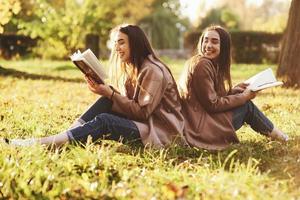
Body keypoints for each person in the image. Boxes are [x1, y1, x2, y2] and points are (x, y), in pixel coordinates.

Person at [6, 24, 185, 147]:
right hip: (144, 122)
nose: (117, 48)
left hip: (161, 131)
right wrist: (106, 92)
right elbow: (129, 104)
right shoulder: (134, 67)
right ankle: (63, 137)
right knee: (104, 102)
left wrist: (111, 94)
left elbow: (142, 112)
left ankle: (45, 143)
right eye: (115, 43)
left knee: (105, 121)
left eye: (121, 42)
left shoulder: (152, 71)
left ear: (135, 43)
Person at [178, 25, 288, 150]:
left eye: (214, 42)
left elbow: (208, 96)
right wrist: (243, 96)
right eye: (206, 40)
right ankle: (281, 137)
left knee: (245, 103)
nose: (208, 45)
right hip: (201, 130)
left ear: (223, 47)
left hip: (198, 124)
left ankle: (278, 135)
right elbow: (212, 104)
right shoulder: (202, 64)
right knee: (246, 106)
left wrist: (234, 91)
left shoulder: (200, 62)